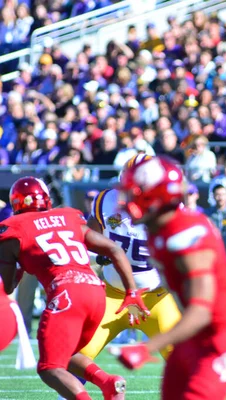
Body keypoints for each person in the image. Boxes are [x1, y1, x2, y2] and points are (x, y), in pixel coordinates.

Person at [115, 156, 226, 399]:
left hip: (224, 339)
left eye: (135, 194)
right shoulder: (156, 230)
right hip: (194, 337)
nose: (126, 201)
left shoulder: (186, 235)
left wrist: (148, 347)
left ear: (155, 197)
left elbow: (202, 310)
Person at [0, 176, 149, 400]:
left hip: (66, 294)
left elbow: (9, 286)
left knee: (49, 367)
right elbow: (115, 251)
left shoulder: (13, 230)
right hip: (96, 293)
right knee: (64, 353)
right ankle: (109, 382)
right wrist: (131, 292)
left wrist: (19, 262)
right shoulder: (69, 216)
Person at [57, 154, 183, 400]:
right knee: (75, 355)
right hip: (112, 296)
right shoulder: (106, 200)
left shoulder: (171, 208)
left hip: (155, 299)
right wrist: (100, 251)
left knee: (183, 359)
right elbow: (91, 232)